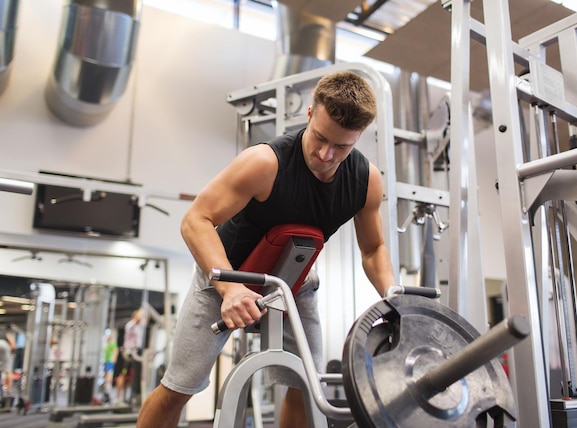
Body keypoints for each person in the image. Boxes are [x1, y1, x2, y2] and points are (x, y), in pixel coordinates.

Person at [137, 70, 397, 428]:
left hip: (295, 283)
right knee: (181, 386)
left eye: (342, 146)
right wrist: (229, 289)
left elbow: (374, 249)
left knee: (307, 385)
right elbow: (195, 220)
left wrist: (395, 299)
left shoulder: (367, 181)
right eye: (320, 138)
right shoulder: (264, 163)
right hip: (227, 273)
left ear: (359, 137)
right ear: (309, 114)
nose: (326, 154)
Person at [115, 308, 145, 404]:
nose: (140, 317)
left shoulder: (140, 326)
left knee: (131, 377)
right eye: (139, 316)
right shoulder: (130, 325)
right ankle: (118, 397)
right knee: (123, 375)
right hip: (128, 353)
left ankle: (126, 397)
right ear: (135, 316)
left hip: (137, 353)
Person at [102, 330, 118, 403]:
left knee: (109, 376)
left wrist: (114, 360)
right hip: (105, 361)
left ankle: (109, 391)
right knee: (105, 376)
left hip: (110, 362)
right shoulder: (105, 345)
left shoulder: (112, 344)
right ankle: (105, 390)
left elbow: (115, 351)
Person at [0, 325, 16, 398]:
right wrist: (12, 353)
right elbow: (13, 346)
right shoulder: (7, 333)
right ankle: (9, 391)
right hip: (3, 345)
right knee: (8, 370)